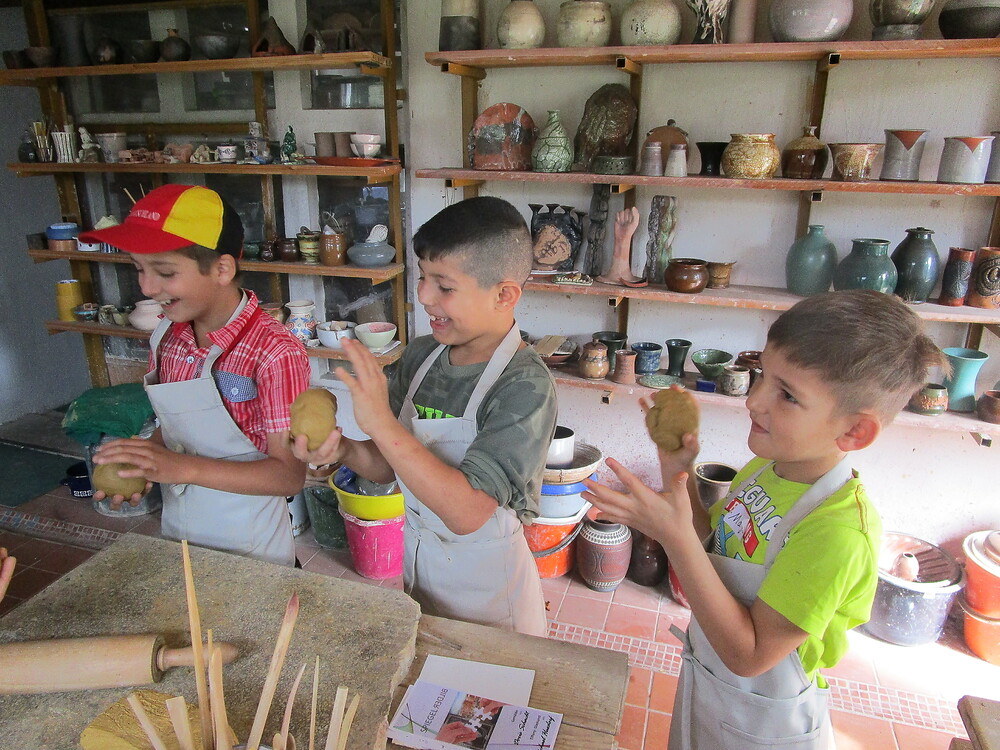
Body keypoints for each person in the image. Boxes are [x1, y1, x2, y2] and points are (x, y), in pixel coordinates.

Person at [582, 290, 947, 749]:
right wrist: (677, 468)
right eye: (762, 377)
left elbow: (750, 655)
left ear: (855, 430)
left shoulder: (838, 534)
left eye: (787, 395)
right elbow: (712, 542)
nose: (754, 401)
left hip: (765, 723)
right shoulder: (767, 469)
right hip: (713, 685)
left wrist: (673, 539)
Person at [294, 197, 557, 635]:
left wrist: (380, 422)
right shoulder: (421, 358)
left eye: (444, 286)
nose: (423, 296)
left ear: (504, 295)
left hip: (490, 599)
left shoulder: (524, 387)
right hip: (421, 575)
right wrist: (342, 449)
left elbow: (467, 513)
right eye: (421, 276)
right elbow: (388, 466)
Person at [80, 184, 310, 566]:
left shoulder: (274, 352)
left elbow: (288, 476)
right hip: (180, 539)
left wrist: (179, 468)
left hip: (253, 553)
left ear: (222, 269)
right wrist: (147, 457)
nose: (147, 287)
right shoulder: (167, 337)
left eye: (165, 272)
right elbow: (176, 428)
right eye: (139, 268)